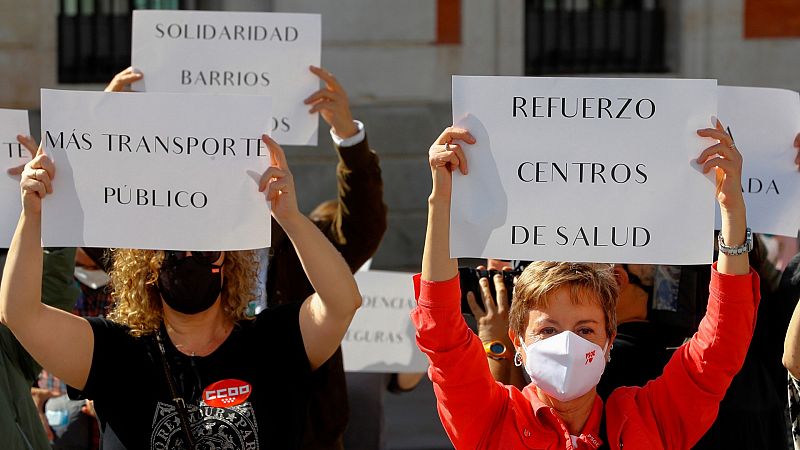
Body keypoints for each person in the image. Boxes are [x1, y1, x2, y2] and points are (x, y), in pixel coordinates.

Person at [0, 133, 362, 449]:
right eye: (173, 251)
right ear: (147, 266)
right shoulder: (115, 352)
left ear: (229, 261)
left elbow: (343, 303)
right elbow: (20, 315)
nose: (189, 260)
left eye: (204, 251)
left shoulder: (272, 343)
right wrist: (32, 215)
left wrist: (290, 218)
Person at [412, 122, 759, 449]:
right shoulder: (491, 419)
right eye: (548, 330)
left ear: (609, 341)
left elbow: (721, 345)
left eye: (586, 329)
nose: (567, 344)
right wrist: (441, 203)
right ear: (517, 340)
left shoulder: (649, 419)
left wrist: (731, 211)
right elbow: (441, 332)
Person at [104, 65, 388, 449]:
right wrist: (102, 140)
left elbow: (363, 229)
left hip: (304, 434)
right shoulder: (165, 244)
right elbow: (96, 242)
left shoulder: (298, 238)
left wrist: (348, 137)